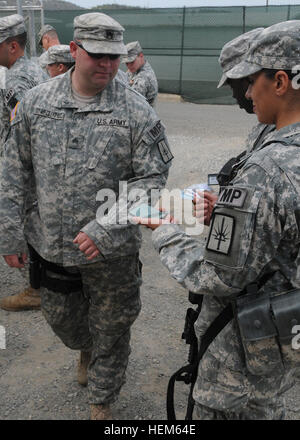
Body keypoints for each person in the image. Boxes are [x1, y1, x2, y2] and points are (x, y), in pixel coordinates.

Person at [0, 12, 172, 420]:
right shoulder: (37, 103)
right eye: (98, 56)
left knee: (113, 327)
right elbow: (13, 170)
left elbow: (152, 178)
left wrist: (105, 227)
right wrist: (9, 235)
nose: (109, 66)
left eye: (115, 58)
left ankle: (102, 402)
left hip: (112, 254)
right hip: (52, 247)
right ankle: (85, 349)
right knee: (66, 323)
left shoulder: (135, 111)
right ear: (75, 50)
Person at [135, 20, 300, 420]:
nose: (246, 92)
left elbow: (220, 277)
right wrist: (231, 208)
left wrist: (165, 229)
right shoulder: (276, 146)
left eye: (252, 81)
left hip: (242, 357)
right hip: (284, 337)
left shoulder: (268, 168)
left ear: (280, 82)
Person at [0, 14, 48, 312]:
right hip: (40, 168)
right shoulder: (35, 69)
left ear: (13, 46)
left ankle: (37, 289)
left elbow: (22, 134)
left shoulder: (18, 80)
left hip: (27, 171)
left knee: (32, 228)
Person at [123, 40, 158, 106]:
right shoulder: (135, 69)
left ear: (141, 56)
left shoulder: (144, 77)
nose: (129, 66)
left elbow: (128, 102)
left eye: (132, 62)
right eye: (126, 63)